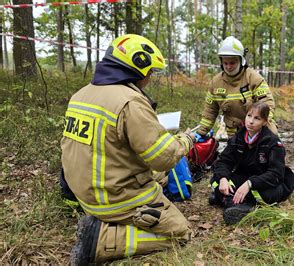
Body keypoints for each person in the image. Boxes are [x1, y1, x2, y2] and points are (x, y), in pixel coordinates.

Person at [61, 34, 195, 264]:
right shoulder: (129, 101)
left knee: (159, 177)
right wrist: (186, 140)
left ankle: (105, 221)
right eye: (150, 72)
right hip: (113, 200)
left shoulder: (80, 95)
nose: (149, 78)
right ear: (137, 69)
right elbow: (163, 158)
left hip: (84, 193)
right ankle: (101, 239)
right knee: (181, 232)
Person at [209, 102, 294, 225]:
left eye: (257, 118)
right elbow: (224, 161)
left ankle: (233, 203)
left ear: (265, 122)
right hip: (245, 177)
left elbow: (276, 175)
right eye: (249, 116)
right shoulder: (238, 137)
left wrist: (250, 183)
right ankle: (239, 205)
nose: (251, 121)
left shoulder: (273, 143)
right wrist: (224, 178)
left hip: (265, 182)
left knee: (269, 194)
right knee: (216, 180)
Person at [195, 36, 277, 141]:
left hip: (257, 129)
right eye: (225, 63)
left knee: (271, 139)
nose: (228, 66)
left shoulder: (254, 78)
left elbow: (267, 104)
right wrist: (201, 132)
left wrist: (258, 126)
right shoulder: (216, 83)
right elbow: (210, 111)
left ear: (241, 61)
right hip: (234, 133)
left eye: (232, 63)